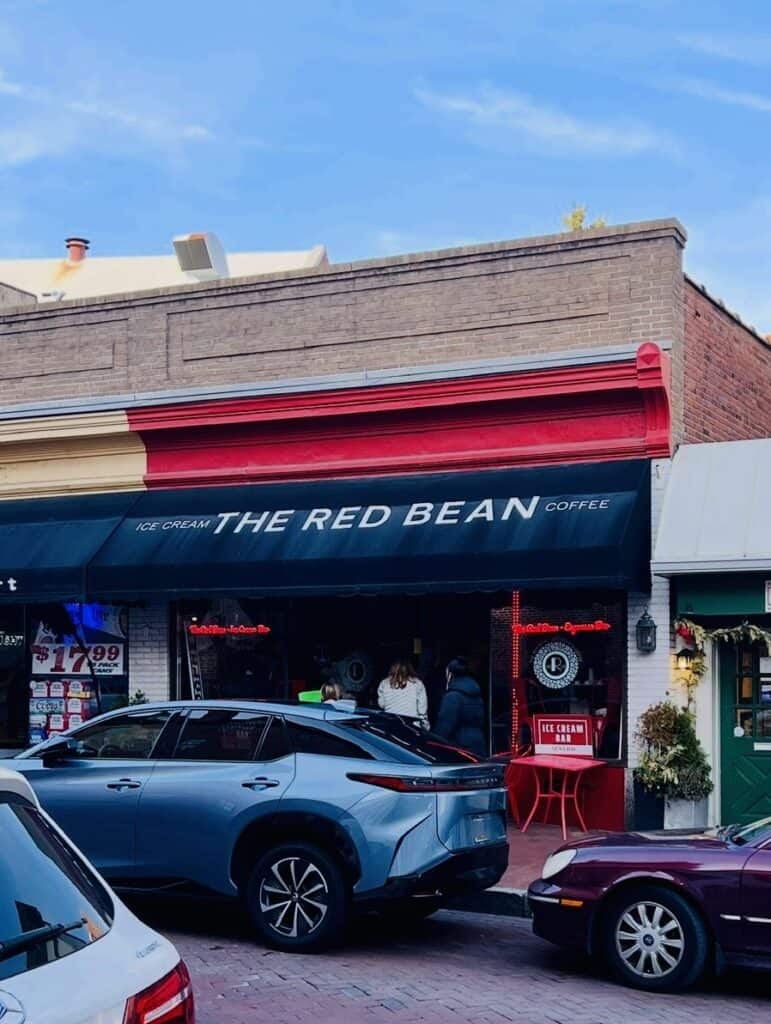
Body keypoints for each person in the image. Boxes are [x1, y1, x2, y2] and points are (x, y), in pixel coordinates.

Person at [434, 656, 486, 757]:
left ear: (450, 674)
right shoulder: (476, 693)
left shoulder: (453, 696)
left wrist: (434, 742)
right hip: (478, 742)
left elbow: (445, 726)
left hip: (460, 746)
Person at [377, 659, 429, 729]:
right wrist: (425, 726)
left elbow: (382, 704)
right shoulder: (418, 683)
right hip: (411, 725)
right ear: (410, 670)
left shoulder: (384, 683)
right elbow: (422, 709)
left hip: (390, 723)